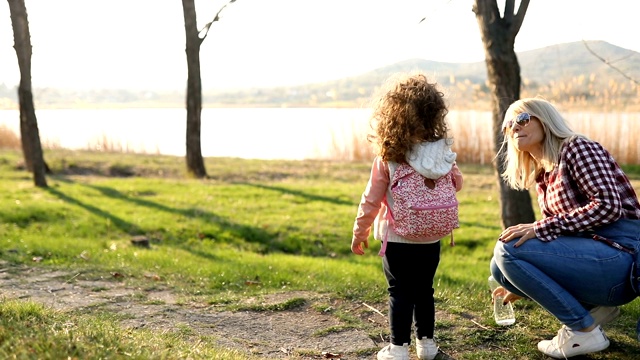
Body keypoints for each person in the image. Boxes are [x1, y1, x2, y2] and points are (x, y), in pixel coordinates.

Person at [490, 97, 640, 359]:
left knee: (508, 250)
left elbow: (608, 206)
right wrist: (520, 280)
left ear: (545, 120)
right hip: (596, 257)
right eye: (508, 125)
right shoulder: (544, 173)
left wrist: (540, 227)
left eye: (523, 119)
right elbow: (560, 236)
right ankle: (594, 310)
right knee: (499, 269)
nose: (514, 127)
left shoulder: (577, 147)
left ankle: (583, 330)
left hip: (623, 256)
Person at [351, 73, 463, 360]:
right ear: (434, 115)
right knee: (424, 290)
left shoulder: (389, 155)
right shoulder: (442, 152)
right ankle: (427, 345)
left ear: (391, 116)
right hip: (432, 237)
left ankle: (398, 349)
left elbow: (371, 199)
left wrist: (359, 231)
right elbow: (457, 183)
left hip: (398, 236)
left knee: (399, 291)